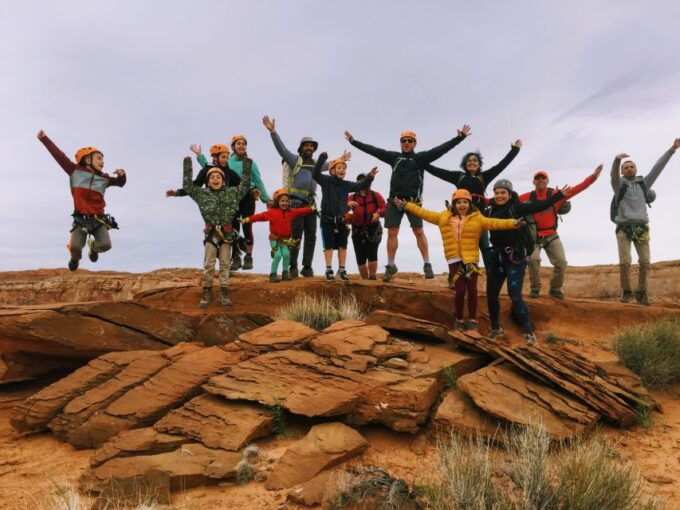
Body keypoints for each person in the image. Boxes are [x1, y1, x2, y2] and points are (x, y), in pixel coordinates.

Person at [344, 125, 471, 282]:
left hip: (413, 202)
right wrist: (354, 142)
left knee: (418, 231)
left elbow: (441, 150)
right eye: (404, 140)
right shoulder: (394, 157)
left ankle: (427, 264)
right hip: (394, 201)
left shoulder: (420, 158)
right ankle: (390, 266)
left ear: (414, 143)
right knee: (392, 232)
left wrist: (458, 138)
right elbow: (374, 150)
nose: (406, 143)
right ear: (400, 143)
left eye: (410, 141)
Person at [394, 189, 520, 331]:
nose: (462, 205)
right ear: (454, 204)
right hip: (454, 259)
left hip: (471, 260)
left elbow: (495, 223)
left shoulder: (477, 218)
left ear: (469, 204)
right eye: (458, 202)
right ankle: (459, 319)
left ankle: (472, 320)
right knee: (460, 291)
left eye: (465, 202)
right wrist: (407, 206)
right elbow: (425, 213)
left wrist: (513, 223)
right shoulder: (443, 217)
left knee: (472, 290)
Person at [484, 179, 571, 344]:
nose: (500, 195)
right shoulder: (488, 211)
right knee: (491, 294)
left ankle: (528, 332)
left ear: (510, 194)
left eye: (503, 192)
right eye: (497, 193)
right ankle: (495, 329)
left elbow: (539, 206)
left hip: (514, 258)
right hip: (497, 258)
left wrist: (558, 196)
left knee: (514, 295)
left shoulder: (517, 208)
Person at [262, 115, 350, 278]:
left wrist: (341, 159)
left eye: (311, 146)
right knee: (296, 235)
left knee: (312, 235)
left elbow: (330, 165)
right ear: (301, 148)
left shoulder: (316, 165)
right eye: (306, 145)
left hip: (311, 204)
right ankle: (293, 266)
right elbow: (281, 149)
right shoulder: (295, 161)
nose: (309, 147)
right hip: (295, 203)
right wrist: (273, 132)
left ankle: (307, 267)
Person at [37, 129, 126, 271]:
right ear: (87, 159)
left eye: (102, 159)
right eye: (99, 158)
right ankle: (75, 258)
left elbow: (120, 183)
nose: (102, 162)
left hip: (98, 219)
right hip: (81, 219)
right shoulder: (74, 171)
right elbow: (59, 156)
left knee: (106, 245)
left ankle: (93, 248)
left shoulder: (104, 179)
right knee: (75, 247)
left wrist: (122, 175)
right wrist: (45, 139)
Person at [425, 140, 523, 268]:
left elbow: (501, 165)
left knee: (485, 248)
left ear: (479, 164)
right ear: (464, 164)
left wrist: (514, 150)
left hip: (478, 219)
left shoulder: (484, 176)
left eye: (475, 161)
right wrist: (422, 163)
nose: (472, 162)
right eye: (469, 160)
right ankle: (455, 278)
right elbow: (437, 171)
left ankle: (491, 275)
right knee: (460, 249)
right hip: (460, 220)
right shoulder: (458, 176)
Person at [611, 139, 679, 305]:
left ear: (636, 169)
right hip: (623, 228)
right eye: (625, 167)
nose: (629, 169)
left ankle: (641, 293)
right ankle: (627, 292)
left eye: (631, 166)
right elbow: (613, 176)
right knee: (625, 262)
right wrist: (616, 160)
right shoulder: (619, 186)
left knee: (645, 262)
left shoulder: (644, 184)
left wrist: (672, 149)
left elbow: (658, 168)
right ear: (622, 171)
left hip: (641, 227)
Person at [519, 165, 603, 299]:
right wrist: (487, 201)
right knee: (533, 259)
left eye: (543, 178)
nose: (540, 180)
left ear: (547, 181)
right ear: (533, 182)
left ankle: (555, 289)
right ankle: (535, 288)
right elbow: (508, 201)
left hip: (551, 234)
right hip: (533, 236)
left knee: (561, 262)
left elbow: (578, 188)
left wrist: (593, 177)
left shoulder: (556, 195)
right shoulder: (527, 196)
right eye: (537, 179)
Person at [180, 156, 252, 308]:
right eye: (211, 177)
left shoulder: (232, 193)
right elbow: (188, 186)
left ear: (224, 180)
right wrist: (187, 165)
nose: (215, 179)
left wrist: (247, 165)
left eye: (218, 176)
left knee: (225, 264)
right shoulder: (202, 194)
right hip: (211, 235)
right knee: (209, 264)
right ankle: (207, 292)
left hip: (227, 235)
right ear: (207, 181)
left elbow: (245, 185)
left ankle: (224, 293)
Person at [312, 153, 377, 282]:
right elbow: (315, 174)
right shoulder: (326, 181)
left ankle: (342, 270)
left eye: (344, 168)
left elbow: (360, 185)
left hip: (342, 220)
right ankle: (329, 270)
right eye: (339, 167)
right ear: (332, 171)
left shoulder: (346, 185)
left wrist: (370, 177)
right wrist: (321, 159)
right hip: (327, 219)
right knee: (329, 245)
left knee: (343, 245)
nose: (342, 170)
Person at [242, 189, 315, 282]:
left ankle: (285, 273)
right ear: (277, 202)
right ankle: (273, 274)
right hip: (274, 240)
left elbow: (300, 211)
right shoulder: (272, 212)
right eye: (282, 201)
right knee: (278, 255)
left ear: (289, 202)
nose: (285, 203)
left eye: (287, 201)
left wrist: (310, 209)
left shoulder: (291, 212)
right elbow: (259, 216)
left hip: (285, 240)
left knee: (286, 255)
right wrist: (246, 219)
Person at [225, 135, 270, 270]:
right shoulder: (228, 162)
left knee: (247, 225)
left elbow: (258, 180)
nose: (241, 146)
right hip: (233, 197)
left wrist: (266, 199)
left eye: (244, 144)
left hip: (248, 196)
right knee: (233, 227)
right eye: (238, 143)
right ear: (233, 146)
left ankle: (248, 257)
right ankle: (236, 257)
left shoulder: (251, 162)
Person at [347, 174, 386, 280]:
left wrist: (378, 213)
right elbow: (340, 208)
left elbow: (384, 208)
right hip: (357, 230)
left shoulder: (375, 195)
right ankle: (365, 281)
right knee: (360, 257)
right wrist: (347, 207)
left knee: (372, 254)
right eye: (359, 181)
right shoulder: (352, 197)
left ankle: (372, 277)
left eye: (364, 181)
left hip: (373, 228)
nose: (362, 183)